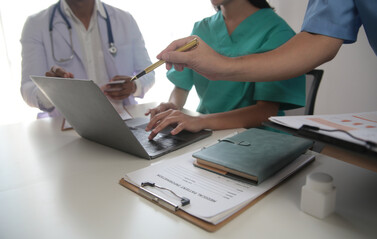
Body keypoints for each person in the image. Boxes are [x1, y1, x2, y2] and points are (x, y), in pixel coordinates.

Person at [145, 0, 305, 140]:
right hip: (206, 134)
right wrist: (173, 106)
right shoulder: (202, 28)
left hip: (256, 140)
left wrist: (200, 121)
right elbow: (181, 85)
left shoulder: (277, 32)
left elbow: (265, 111)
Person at [156, 0, 376, 83]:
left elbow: (266, 111)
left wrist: (223, 67)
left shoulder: (275, 29)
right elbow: (321, 38)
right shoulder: (201, 28)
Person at [21, 0, 154, 117]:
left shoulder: (125, 19)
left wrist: (134, 85)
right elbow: (27, 87)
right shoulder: (36, 25)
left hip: (124, 118)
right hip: (69, 126)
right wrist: (51, 90)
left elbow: (148, 72)